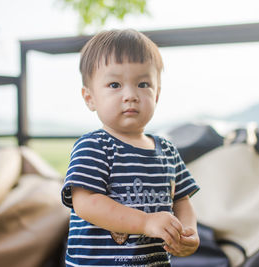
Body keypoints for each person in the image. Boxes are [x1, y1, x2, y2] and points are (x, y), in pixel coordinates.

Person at [61, 29, 200, 266]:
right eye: (114, 84)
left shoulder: (166, 150)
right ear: (90, 98)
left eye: (143, 84)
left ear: (156, 95)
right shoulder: (94, 145)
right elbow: (86, 202)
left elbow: (182, 200)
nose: (130, 95)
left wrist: (188, 232)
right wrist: (146, 222)